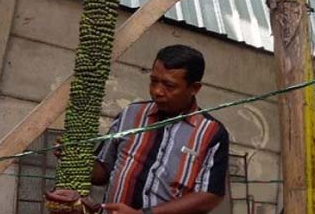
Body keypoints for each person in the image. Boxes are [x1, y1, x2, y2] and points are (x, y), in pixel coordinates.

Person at [95, 44, 229, 214]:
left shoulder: (211, 133)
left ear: (194, 88)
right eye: (153, 81)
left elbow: (209, 196)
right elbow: (102, 172)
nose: (157, 91)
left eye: (169, 86)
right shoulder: (131, 113)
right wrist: (74, 158)